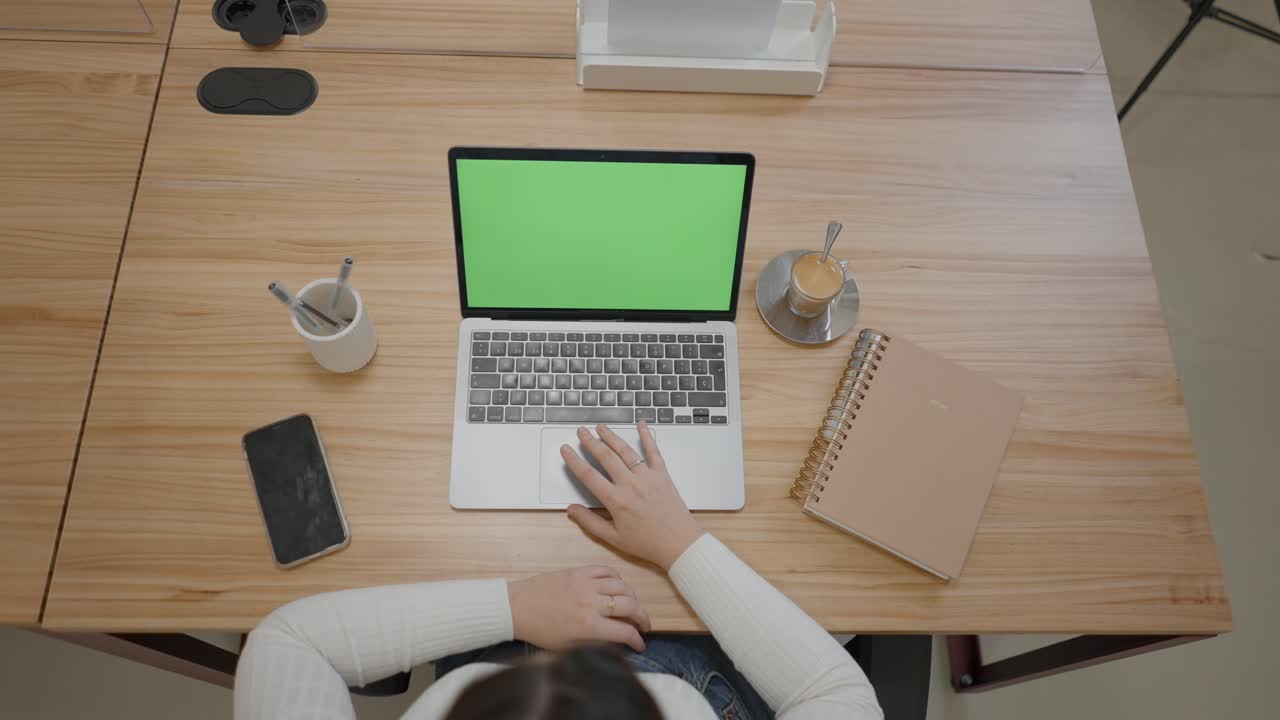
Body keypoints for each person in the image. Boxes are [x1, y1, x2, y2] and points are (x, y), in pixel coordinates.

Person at [234, 422, 883, 720]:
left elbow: (288, 641)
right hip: (697, 670)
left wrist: (514, 608)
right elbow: (842, 699)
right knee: (844, 615)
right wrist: (677, 542)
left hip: (511, 617)